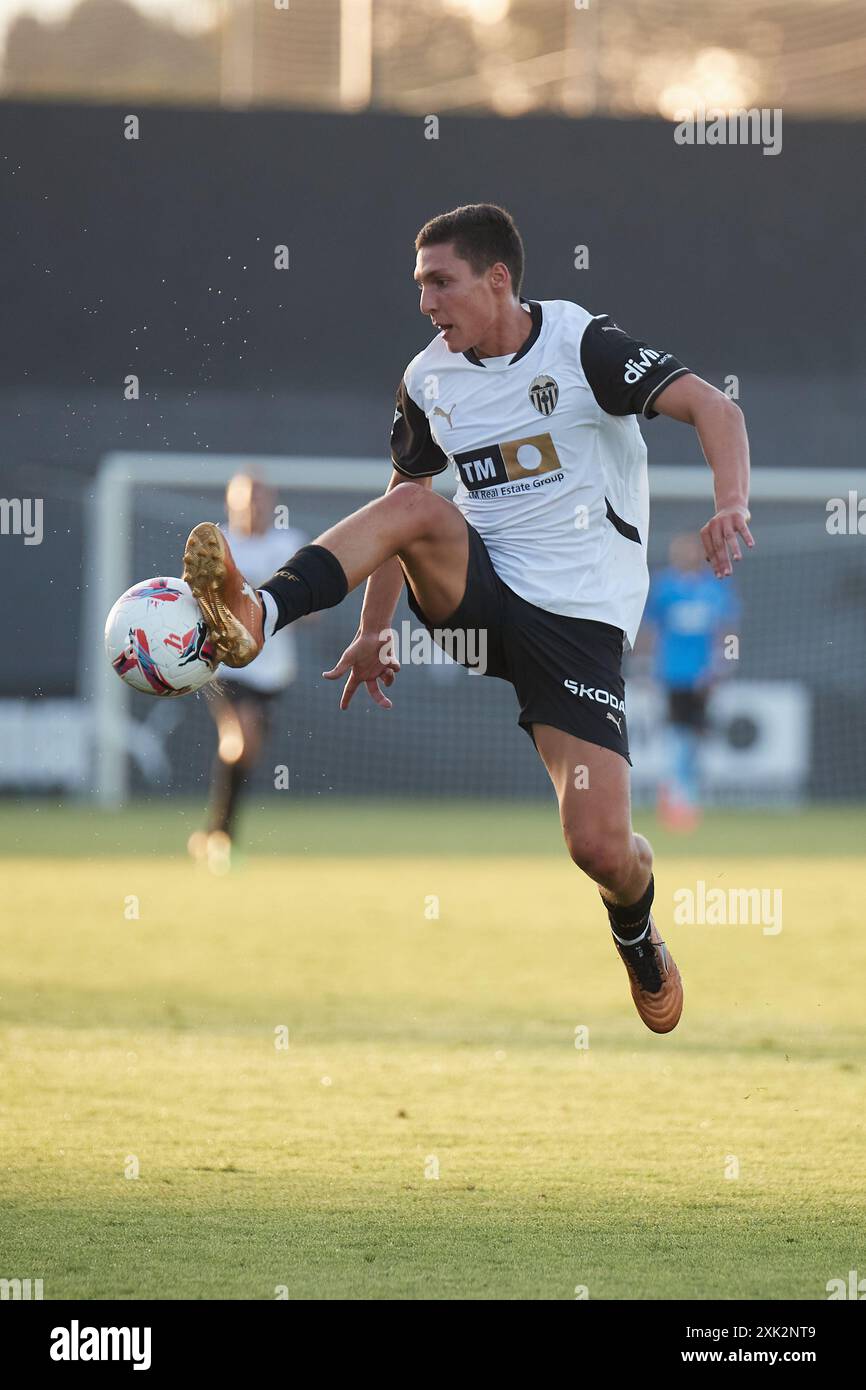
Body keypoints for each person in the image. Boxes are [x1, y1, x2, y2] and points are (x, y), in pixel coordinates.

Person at [180, 203, 754, 1032]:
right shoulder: (428, 379)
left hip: (581, 628)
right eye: (418, 286)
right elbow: (400, 509)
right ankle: (259, 608)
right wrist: (372, 630)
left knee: (600, 849)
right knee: (418, 499)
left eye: (440, 283)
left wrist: (729, 504)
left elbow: (718, 410)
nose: (426, 303)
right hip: (481, 597)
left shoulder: (583, 345)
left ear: (497, 280)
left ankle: (636, 933)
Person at [187, 472, 305, 873]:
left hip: (271, 670)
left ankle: (215, 833)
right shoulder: (216, 546)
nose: (252, 507)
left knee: (246, 749)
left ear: (271, 503)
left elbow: (313, 610)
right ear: (230, 502)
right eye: (244, 500)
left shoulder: (288, 544)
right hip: (223, 665)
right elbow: (191, 601)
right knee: (241, 736)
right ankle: (222, 838)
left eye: (259, 499)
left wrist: (267, 605)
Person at [644, 533, 740, 831]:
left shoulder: (715, 589)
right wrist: (645, 667)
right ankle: (679, 798)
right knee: (677, 733)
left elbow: (727, 631)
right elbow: (650, 630)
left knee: (698, 735)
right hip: (671, 674)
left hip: (703, 677)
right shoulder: (664, 588)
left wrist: (722, 666)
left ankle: (683, 792)